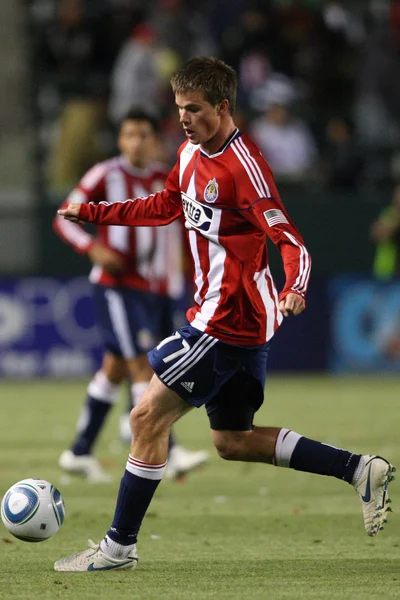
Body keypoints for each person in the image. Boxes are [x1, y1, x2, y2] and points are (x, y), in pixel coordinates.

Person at [54, 57, 395, 572]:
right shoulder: (190, 153)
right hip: (235, 322)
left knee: (146, 416)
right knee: (232, 440)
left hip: (225, 320)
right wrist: (98, 214)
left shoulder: (246, 169)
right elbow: (167, 204)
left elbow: (290, 241)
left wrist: (296, 286)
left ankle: (117, 548)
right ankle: (358, 469)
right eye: (179, 109)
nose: (184, 119)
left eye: (193, 109)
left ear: (223, 106)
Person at [53, 107, 209, 483]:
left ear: (156, 141)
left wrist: (178, 279)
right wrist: (92, 249)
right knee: (145, 364)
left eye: (143, 135)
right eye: (129, 135)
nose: (136, 142)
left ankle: (79, 451)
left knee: (115, 367)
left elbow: (177, 232)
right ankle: (169, 451)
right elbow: (62, 216)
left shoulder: (166, 178)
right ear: (120, 140)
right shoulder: (105, 173)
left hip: (157, 290)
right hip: (118, 287)